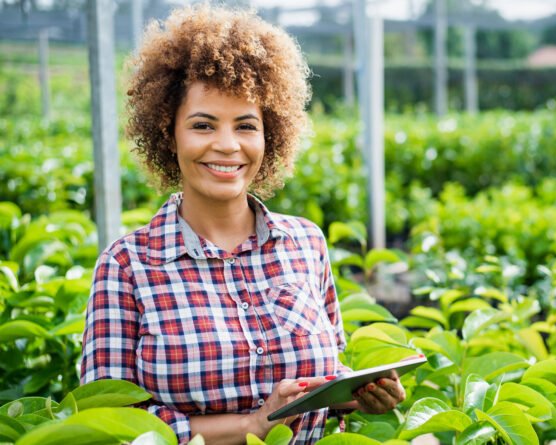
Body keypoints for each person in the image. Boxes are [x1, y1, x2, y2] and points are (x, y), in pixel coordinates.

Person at [79, 5, 405, 444]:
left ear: (270, 134)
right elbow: (108, 420)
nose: (228, 145)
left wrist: (358, 391)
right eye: (203, 125)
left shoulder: (305, 243)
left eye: (246, 126)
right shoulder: (127, 267)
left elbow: (325, 371)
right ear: (167, 132)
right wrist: (252, 427)